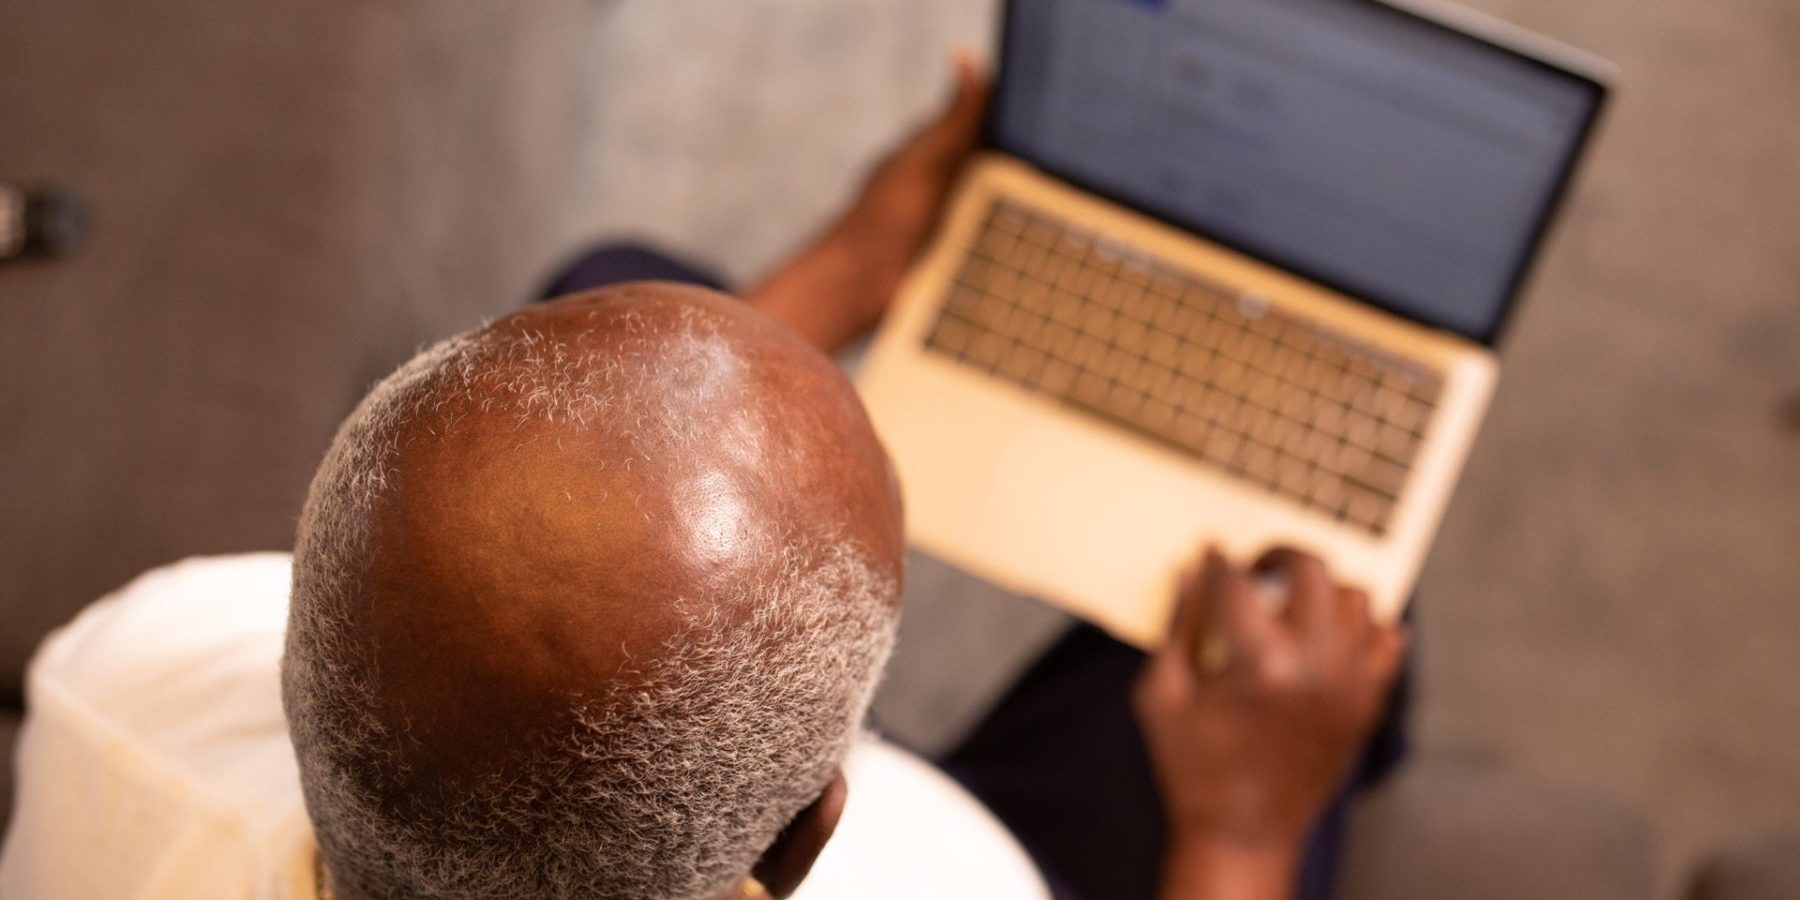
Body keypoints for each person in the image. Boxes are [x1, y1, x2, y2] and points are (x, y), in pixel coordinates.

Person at [0, 59, 1403, 900]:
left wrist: (838, 278)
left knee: (612, 295)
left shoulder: (118, 677)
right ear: (798, 846)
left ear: (312, 622)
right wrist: (1242, 825)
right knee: (1313, 601)